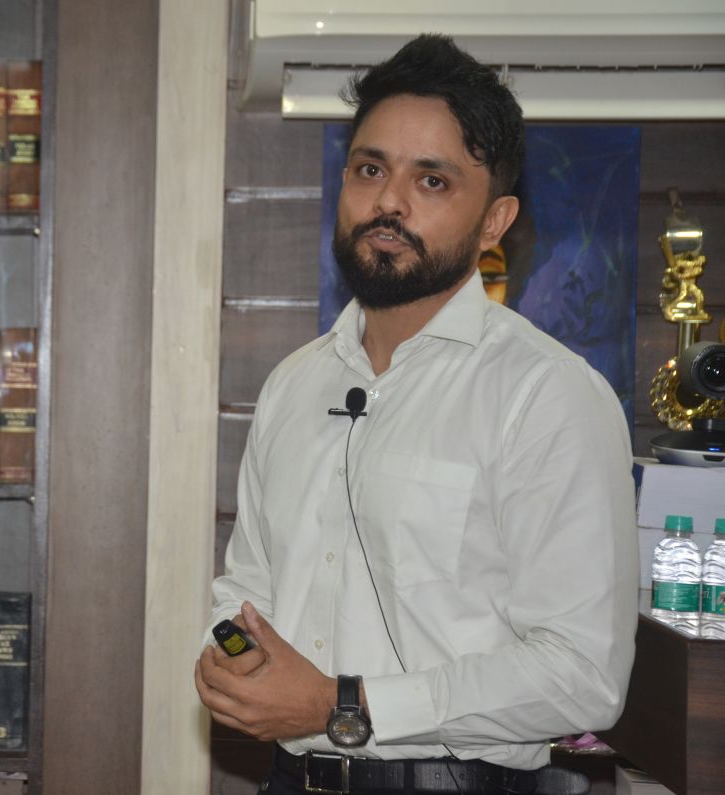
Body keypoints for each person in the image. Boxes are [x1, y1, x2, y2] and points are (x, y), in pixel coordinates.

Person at [194, 34, 638, 795]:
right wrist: (232, 655)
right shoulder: (294, 385)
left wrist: (343, 705)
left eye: (432, 180)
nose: (389, 203)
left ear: (495, 220)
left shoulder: (547, 393)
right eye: (370, 170)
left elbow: (582, 674)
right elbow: (246, 593)